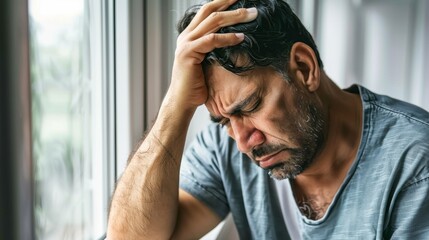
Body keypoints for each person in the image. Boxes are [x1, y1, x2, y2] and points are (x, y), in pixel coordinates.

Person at [107, 0, 429, 239]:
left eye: (251, 106)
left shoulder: (414, 164)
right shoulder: (227, 146)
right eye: (223, 121)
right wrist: (174, 106)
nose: (245, 143)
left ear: (303, 68)